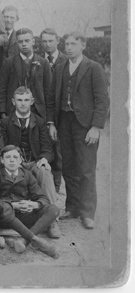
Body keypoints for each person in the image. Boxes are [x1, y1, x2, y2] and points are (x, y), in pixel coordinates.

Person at [52, 32, 109, 230]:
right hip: (64, 123)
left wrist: (96, 127)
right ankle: (72, 207)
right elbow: (54, 99)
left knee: (86, 169)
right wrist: (53, 123)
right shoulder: (60, 68)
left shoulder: (93, 68)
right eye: (66, 44)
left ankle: (87, 212)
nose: (68, 48)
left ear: (82, 45)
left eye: (73, 44)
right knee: (68, 167)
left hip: (85, 125)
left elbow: (102, 100)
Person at [0, 86, 61, 238]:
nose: (23, 104)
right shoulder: (6, 122)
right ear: (13, 102)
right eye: (19, 100)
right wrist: (13, 160)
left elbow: (47, 148)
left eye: (26, 100)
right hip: (16, 163)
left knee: (45, 172)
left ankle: (53, 221)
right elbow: (2, 148)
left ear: (32, 101)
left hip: (34, 161)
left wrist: (45, 158)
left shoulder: (40, 122)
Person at [0, 145, 60, 258]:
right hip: (3, 217)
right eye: (8, 157)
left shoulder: (27, 174)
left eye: (15, 157)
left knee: (53, 209)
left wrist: (34, 204)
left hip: (23, 216)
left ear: (20, 160)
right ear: (1, 160)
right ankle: (32, 238)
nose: (11, 160)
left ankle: (24, 240)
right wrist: (13, 205)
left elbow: (43, 198)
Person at [0, 28, 54, 124]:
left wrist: (48, 118)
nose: (24, 44)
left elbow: (49, 93)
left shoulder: (43, 63)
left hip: (38, 114)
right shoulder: (8, 63)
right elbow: (1, 90)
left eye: (27, 41)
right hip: (13, 114)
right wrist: (3, 114)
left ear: (33, 41)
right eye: (20, 41)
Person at [40, 28, 67, 192]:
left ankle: (56, 190)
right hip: (41, 112)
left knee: (58, 153)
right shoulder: (37, 61)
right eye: (44, 41)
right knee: (43, 150)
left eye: (51, 41)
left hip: (59, 114)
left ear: (57, 41)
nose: (47, 44)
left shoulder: (65, 60)